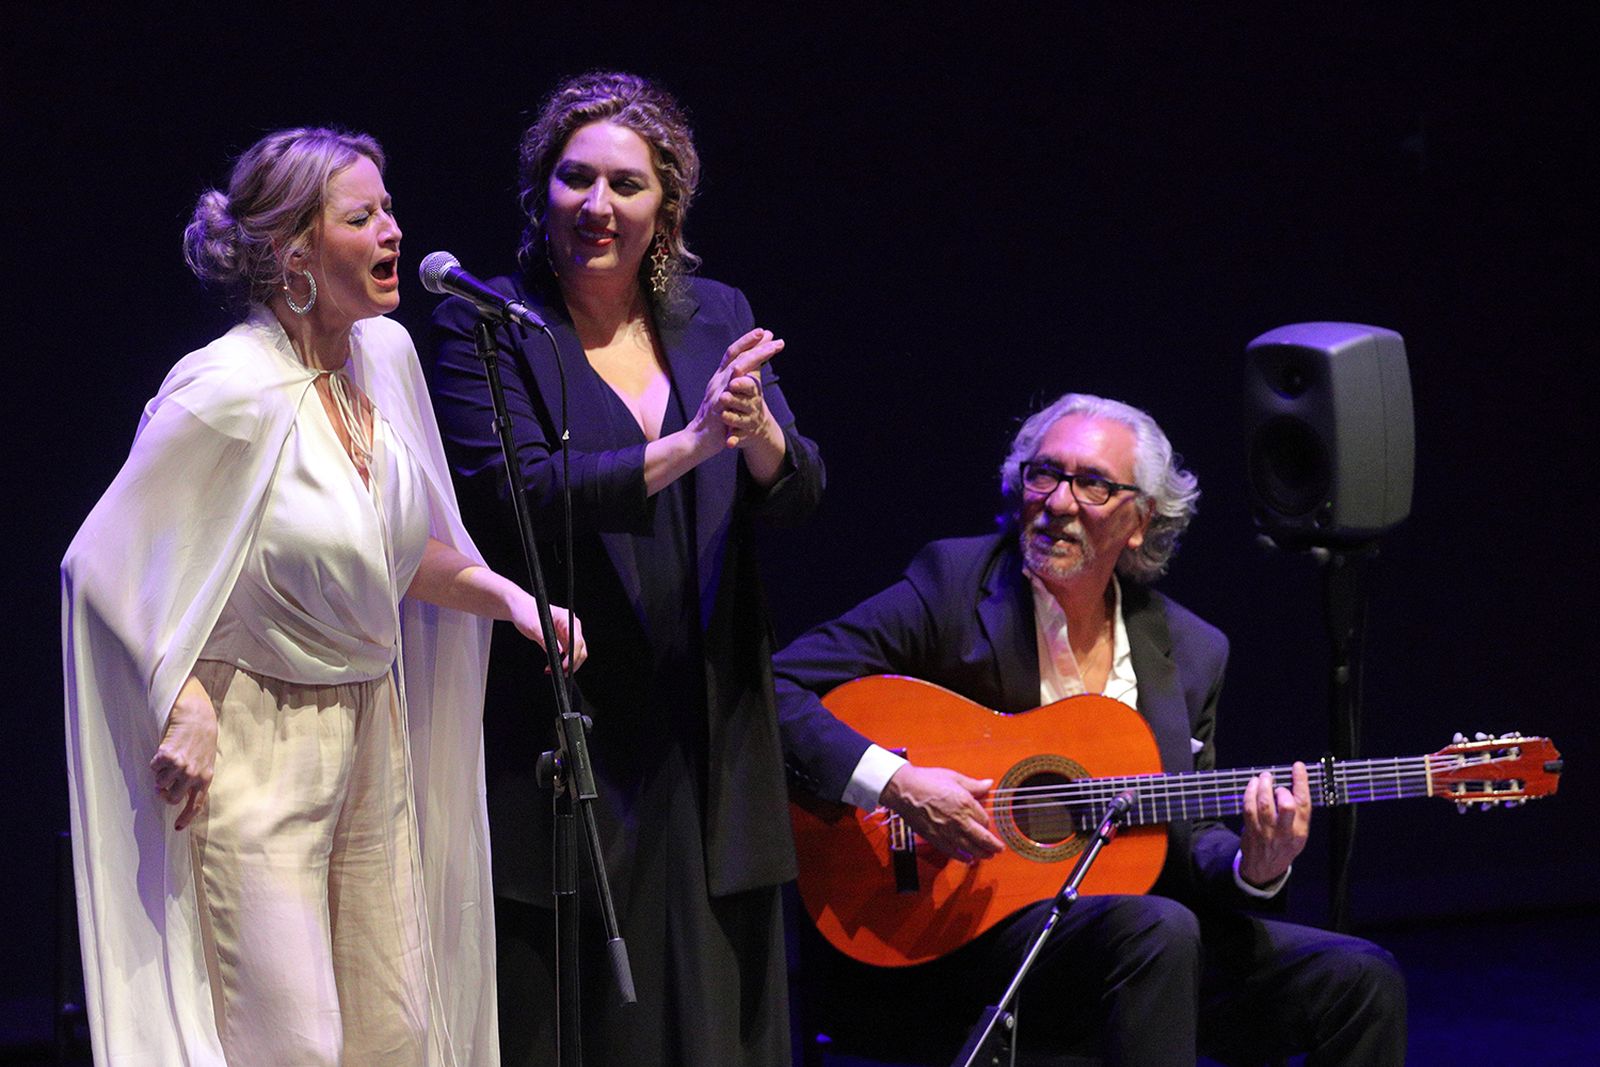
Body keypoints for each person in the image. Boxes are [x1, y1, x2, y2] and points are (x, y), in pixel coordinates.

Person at [61, 127, 584, 1066]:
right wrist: (177, 696)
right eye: (362, 216)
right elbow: (102, 561)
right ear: (294, 250)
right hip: (256, 741)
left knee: (395, 1031)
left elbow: (385, 552)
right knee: (293, 1042)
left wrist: (509, 596)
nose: (392, 230)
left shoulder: (382, 359)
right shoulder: (226, 389)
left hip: (369, 734)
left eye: (388, 209)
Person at [774, 392, 1407, 1065]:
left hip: (1136, 949)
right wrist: (896, 781)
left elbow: (1188, 838)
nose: (1058, 501)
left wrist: (1257, 865)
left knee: (1361, 978)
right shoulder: (951, 587)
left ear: (1140, 521)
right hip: (959, 939)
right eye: (1044, 473)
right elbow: (777, 687)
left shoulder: (1191, 651)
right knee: (1158, 929)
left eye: (1093, 484)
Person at [428, 72, 823, 1066]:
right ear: (540, 189)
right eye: (573, 179)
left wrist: (760, 432)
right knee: (601, 1024)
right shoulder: (492, 321)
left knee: (724, 1022)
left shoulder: (712, 311)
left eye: (625, 185)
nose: (596, 206)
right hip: (573, 731)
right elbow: (516, 488)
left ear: (666, 206)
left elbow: (797, 489)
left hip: (708, 728)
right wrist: (693, 443)